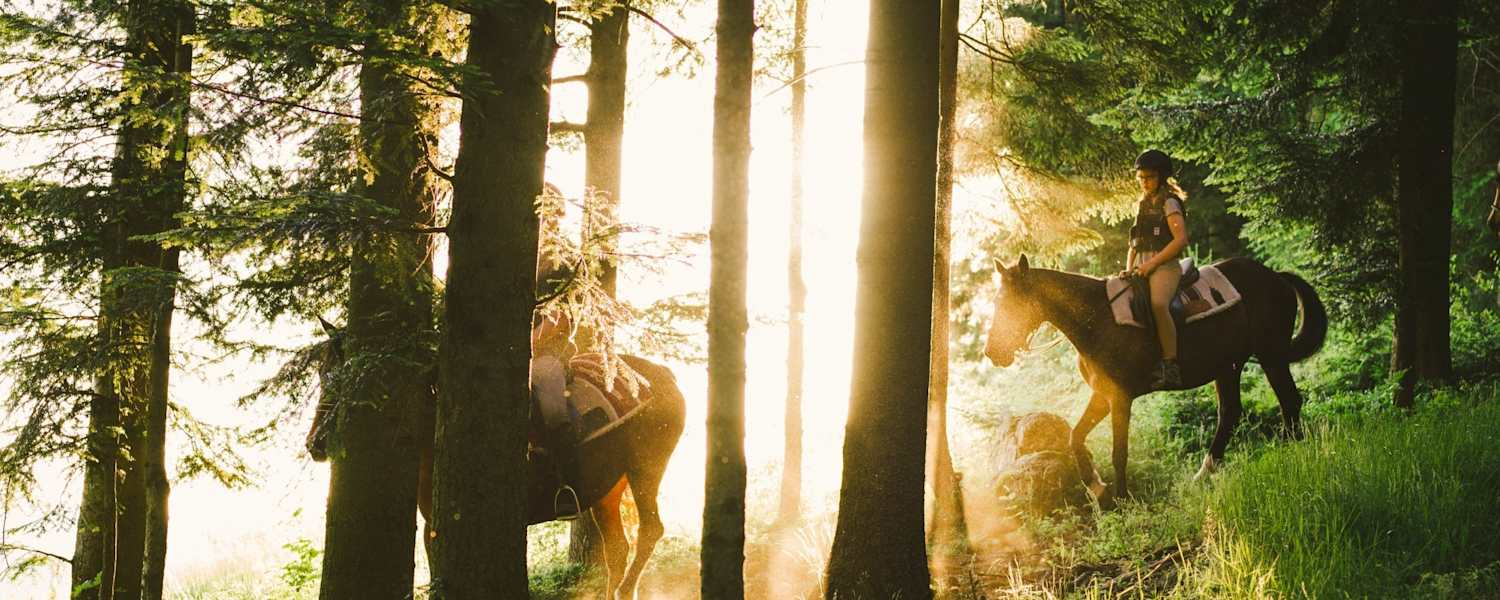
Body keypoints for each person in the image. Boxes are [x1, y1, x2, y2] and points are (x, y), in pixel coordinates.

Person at [1124, 149, 1190, 389]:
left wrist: (1151, 264)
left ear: (1161, 177)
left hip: (1164, 265)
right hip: (1140, 265)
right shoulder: (1142, 204)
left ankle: (1171, 364)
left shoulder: (1170, 202)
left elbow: (1180, 239)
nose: (1144, 182)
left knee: (1158, 305)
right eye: (1141, 178)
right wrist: (1128, 268)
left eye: (1149, 177)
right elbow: (1134, 242)